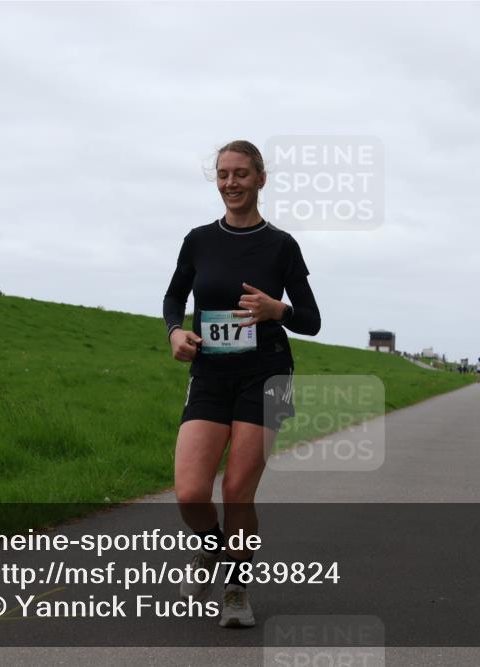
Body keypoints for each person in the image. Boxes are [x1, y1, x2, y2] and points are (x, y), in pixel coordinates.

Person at [163, 140, 321, 628]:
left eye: (241, 174)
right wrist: (174, 332)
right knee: (190, 493)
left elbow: (311, 320)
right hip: (210, 373)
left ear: (260, 179)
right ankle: (212, 552)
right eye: (223, 174)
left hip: (266, 374)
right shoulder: (198, 239)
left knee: (236, 491)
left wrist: (280, 311)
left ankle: (235, 587)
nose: (231, 183)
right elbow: (174, 296)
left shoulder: (281, 246)